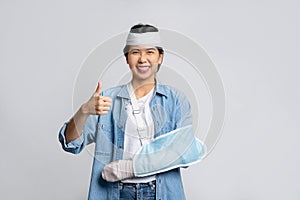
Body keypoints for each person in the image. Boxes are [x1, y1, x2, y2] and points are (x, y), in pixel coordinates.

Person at [58, 23, 206, 200]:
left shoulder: (175, 100)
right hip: (116, 192)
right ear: (127, 58)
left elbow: (184, 150)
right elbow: (70, 143)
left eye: (150, 52)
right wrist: (84, 111)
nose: (143, 59)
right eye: (135, 52)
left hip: (161, 192)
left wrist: (131, 168)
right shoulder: (107, 100)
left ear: (160, 57)